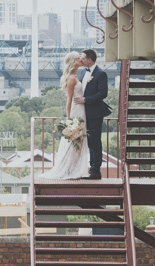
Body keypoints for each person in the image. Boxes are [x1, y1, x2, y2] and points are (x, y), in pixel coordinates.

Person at [42, 51, 90, 180]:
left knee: (79, 141)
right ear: (74, 62)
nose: (81, 59)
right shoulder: (71, 78)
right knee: (74, 141)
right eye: (78, 58)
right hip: (76, 111)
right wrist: (68, 118)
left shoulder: (75, 76)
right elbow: (69, 100)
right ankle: (68, 169)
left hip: (81, 110)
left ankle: (74, 168)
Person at [73, 48, 110, 180]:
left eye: (82, 58)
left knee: (95, 142)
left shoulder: (101, 74)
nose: (80, 59)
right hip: (84, 113)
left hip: (95, 113)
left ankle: (96, 171)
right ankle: (91, 168)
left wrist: (86, 100)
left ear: (89, 60)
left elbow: (103, 93)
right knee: (89, 142)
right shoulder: (83, 71)